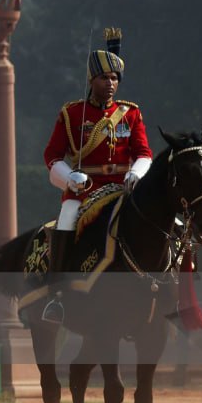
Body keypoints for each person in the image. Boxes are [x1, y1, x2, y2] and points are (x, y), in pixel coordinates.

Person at [40, 27, 151, 321]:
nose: (111, 83)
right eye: (105, 78)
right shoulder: (72, 114)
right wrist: (69, 178)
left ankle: (174, 292)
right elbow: (52, 156)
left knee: (173, 222)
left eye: (115, 78)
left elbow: (143, 153)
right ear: (92, 80)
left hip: (124, 186)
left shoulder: (131, 113)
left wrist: (137, 173)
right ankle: (56, 296)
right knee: (66, 220)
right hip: (85, 189)